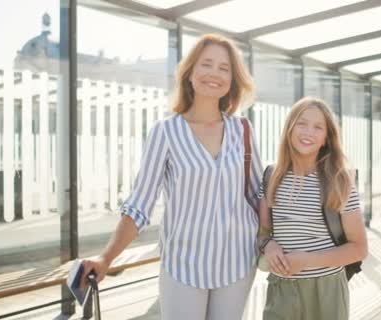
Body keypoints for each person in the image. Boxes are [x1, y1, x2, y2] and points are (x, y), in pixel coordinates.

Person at [80, 33, 262, 320]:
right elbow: (139, 205)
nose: (214, 73)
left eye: (224, 68)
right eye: (206, 64)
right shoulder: (165, 132)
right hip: (183, 265)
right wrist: (106, 258)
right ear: (189, 73)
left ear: (232, 79)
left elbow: (257, 195)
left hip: (237, 262)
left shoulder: (243, 130)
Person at [257, 97, 369, 320]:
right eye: (302, 123)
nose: (308, 132)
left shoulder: (340, 181)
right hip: (282, 290)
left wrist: (307, 260)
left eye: (318, 127)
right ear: (289, 127)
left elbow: (359, 249)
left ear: (326, 138)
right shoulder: (271, 176)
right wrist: (268, 246)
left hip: (327, 291)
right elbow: (262, 233)